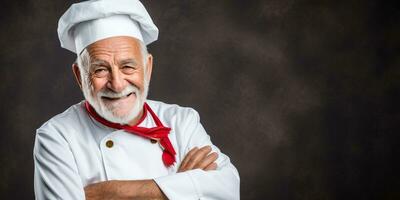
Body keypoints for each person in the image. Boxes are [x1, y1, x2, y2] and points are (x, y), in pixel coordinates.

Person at [33, 0, 240, 199]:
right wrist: (182, 188)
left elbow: (228, 188)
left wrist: (116, 192)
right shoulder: (56, 137)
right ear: (80, 76)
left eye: (128, 67)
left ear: (148, 67)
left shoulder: (181, 121)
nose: (118, 84)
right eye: (100, 69)